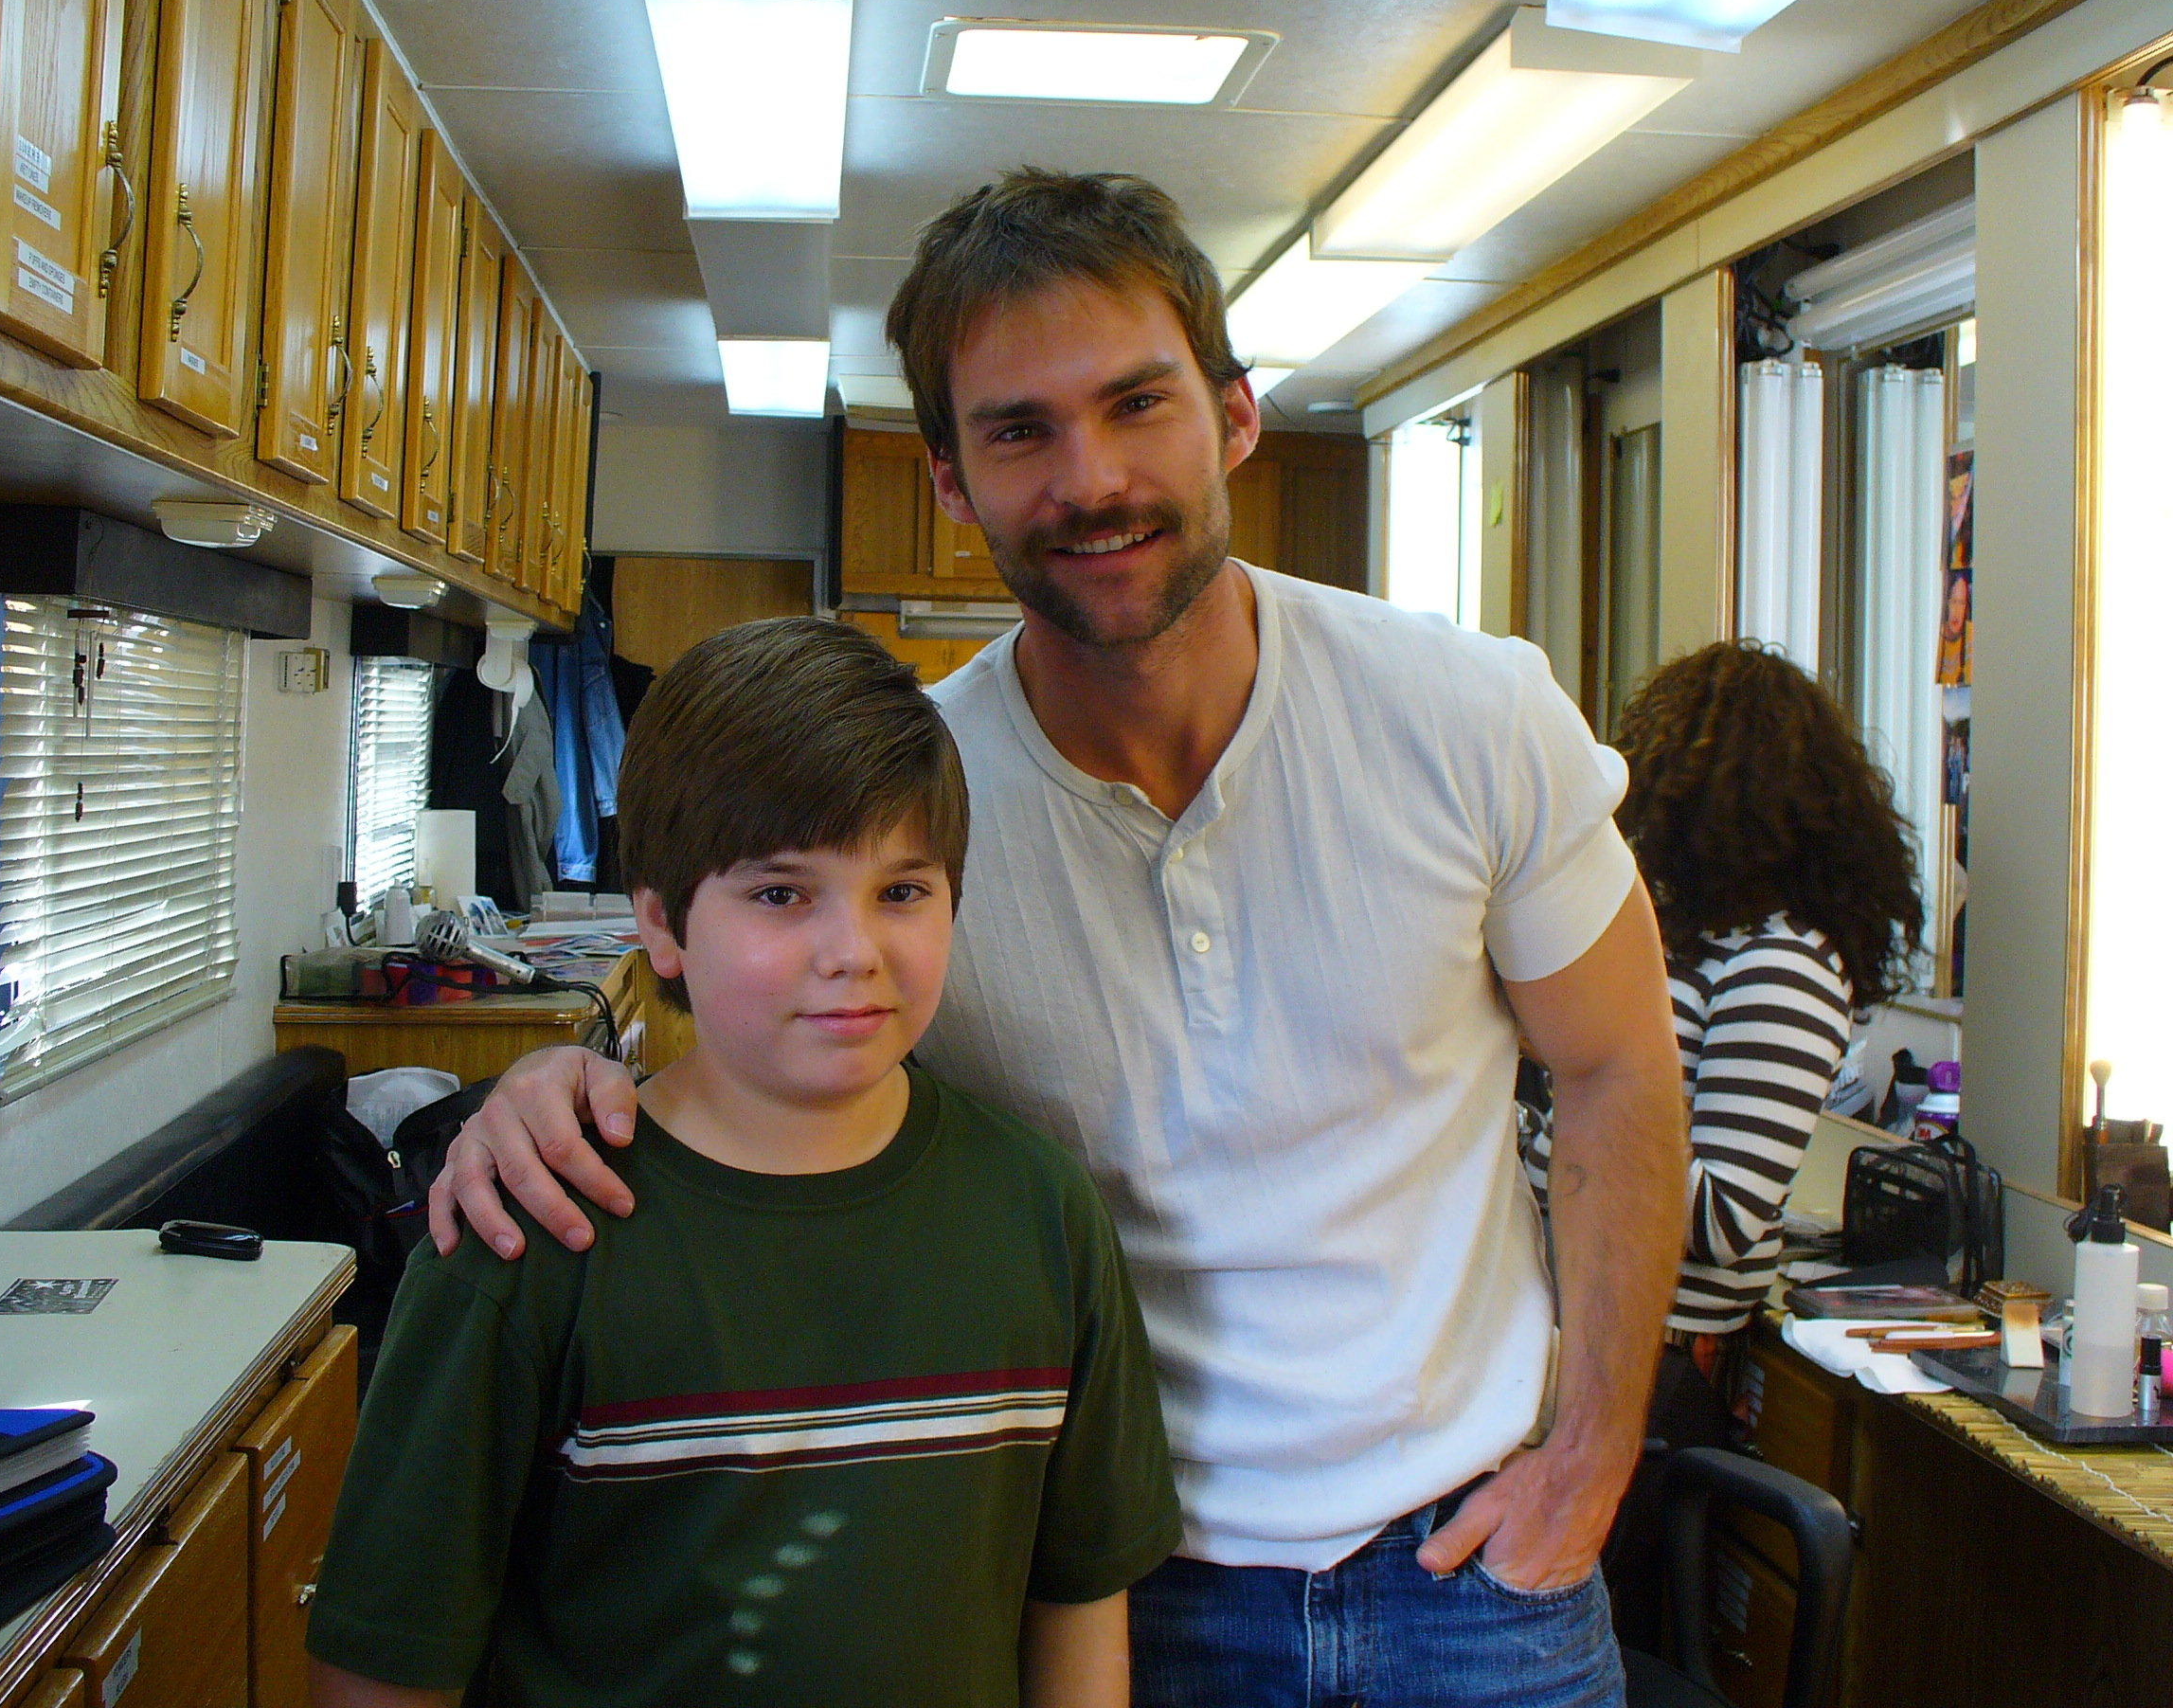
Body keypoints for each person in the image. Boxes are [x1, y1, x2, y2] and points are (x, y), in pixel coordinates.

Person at [435, 170, 1686, 1708]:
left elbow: (1625, 1064)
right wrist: (556, 1082)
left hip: (1481, 1572)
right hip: (1114, 1588)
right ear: (952, 484)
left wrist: (1597, 1443)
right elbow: (726, 1057)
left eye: (1136, 403)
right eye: (1019, 431)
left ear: (1234, 418)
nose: (1089, 478)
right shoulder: (913, 814)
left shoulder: (1471, 714)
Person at [308, 616, 1180, 1708]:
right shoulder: (525, 1229)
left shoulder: (1044, 1214)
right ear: (664, 927)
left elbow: (1078, 1604)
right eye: (780, 894)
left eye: (901, 891)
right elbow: (385, 1663)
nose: (852, 950)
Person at [1525, 638, 1923, 1644]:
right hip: (1581, 1337)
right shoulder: (1689, 943)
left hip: (1650, 1364)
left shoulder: (1783, 961)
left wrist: (1519, 1129)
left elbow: (1721, 1214)